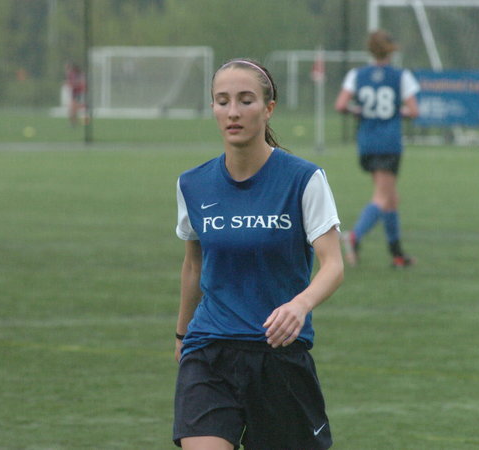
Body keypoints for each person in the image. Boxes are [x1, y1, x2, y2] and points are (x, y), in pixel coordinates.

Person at [173, 58, 344, 450]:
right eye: (223, 101)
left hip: (279, 355)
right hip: (209, 350)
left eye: (245, 100)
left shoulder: (303, 179)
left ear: (268, 109)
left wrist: (300, 305)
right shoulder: (192, 184)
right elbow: (193, 265)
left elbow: (333, 265)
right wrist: (182, 335)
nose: (233, 111)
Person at [334, 29, 420, 268]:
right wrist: (396, 111)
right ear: (391, 50)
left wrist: (358, 110)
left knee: (391, 198)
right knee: (382, 197)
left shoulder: (356, 75)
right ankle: (354, 236)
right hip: (388, 143)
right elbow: (413, 111)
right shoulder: (401, 76)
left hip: (366, 142)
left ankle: (397, 254)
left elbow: (341, 105)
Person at [65, 62, 86, 126]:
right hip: (74, 93)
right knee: (72, 109)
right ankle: (74, 122)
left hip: (78, 93)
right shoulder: (70, 74)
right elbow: (70, 83)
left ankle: (74, 122)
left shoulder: (76, 74)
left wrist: (74, 84)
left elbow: (80, 83)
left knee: (73, 109)